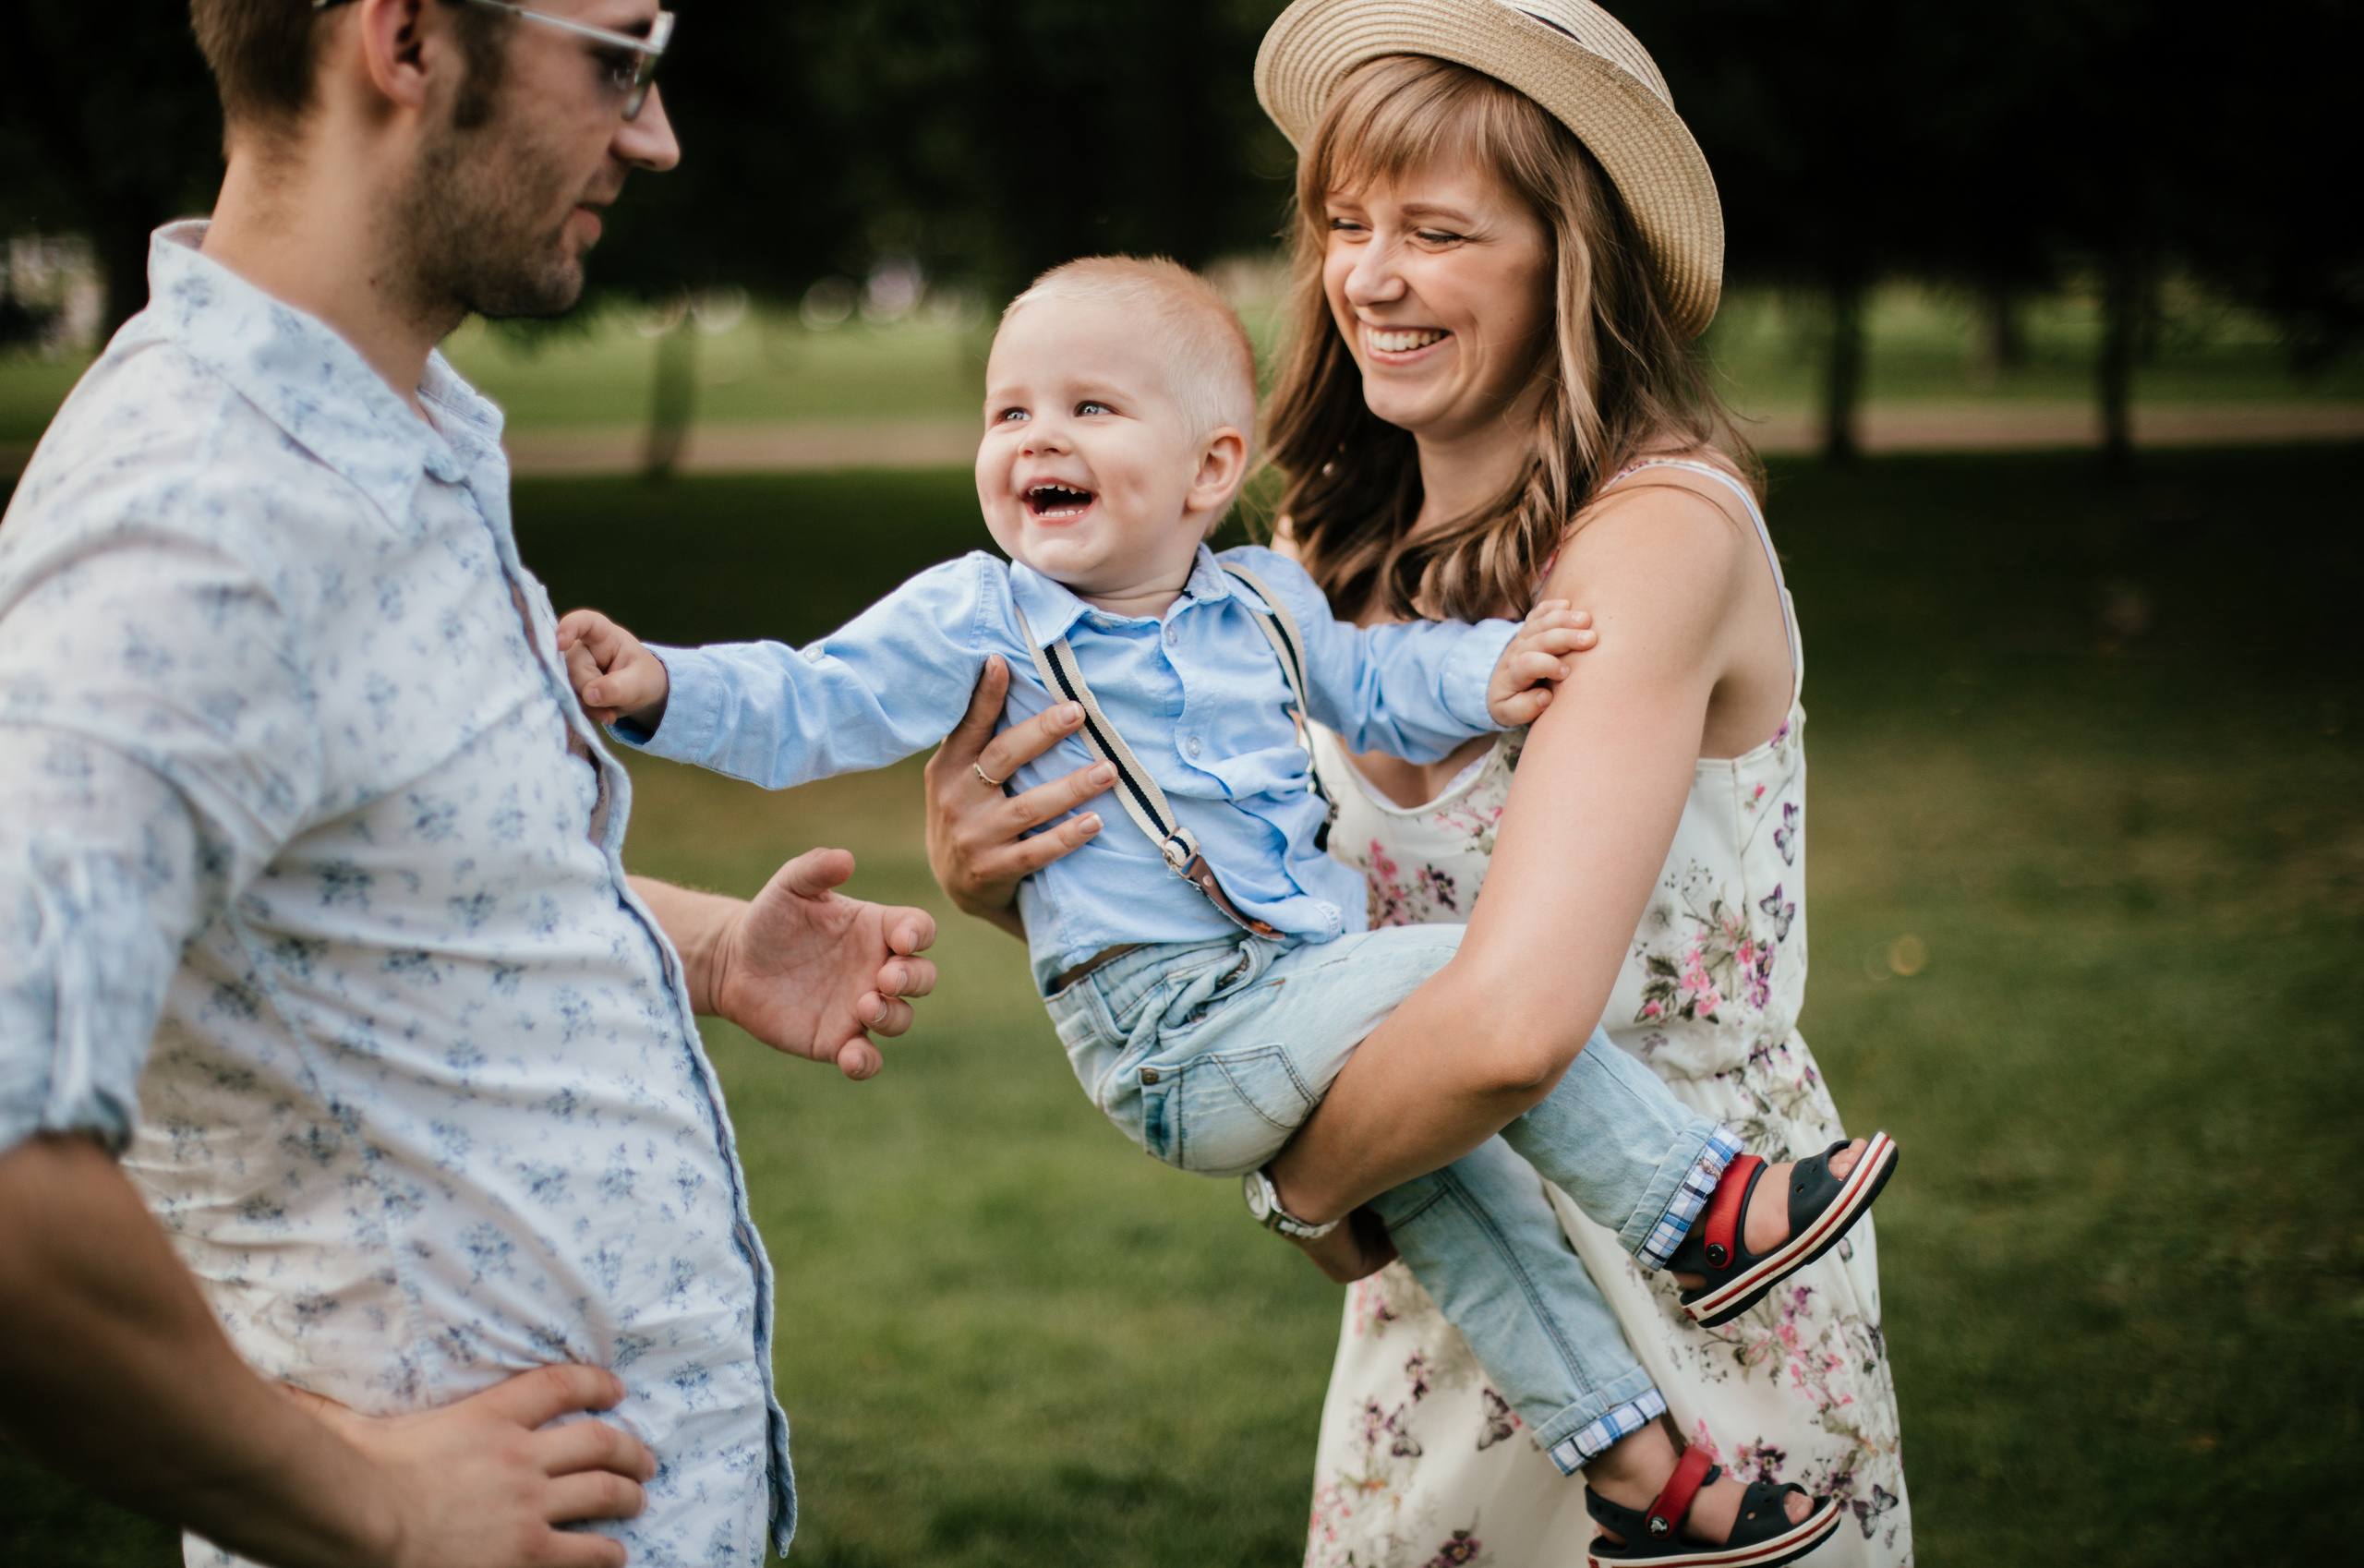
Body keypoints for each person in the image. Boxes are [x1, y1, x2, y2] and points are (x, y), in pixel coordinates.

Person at [559, 255, 1892, 1566]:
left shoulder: (1263, 598)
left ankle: (1653, 1484)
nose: (1037, 438)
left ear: (1210, 471)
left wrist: (1493, 668)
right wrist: (657, 686)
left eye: (1090, 407)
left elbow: (1374, 681)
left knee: (1474, 1214)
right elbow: (808, 698)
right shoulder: (981, 619)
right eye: (1009, 410)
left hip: (1297, 1006)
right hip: (1174, 1036)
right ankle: (1703, 1212)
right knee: (1464, 971)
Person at [924, 2, 1913, 1562]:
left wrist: (1297, 1183)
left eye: (1438, 231)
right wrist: (1002, 883)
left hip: (1708, 1283)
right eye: (1346, 223)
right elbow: (1235, 949)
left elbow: (1515, 1027)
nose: (1370, 277)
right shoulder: (1308, 559)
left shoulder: (1657, 538)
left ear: (1571, 261)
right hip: (1447, 1299)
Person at [0, 4, 937, 1566]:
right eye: (619, 59)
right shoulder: (196, 520)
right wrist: (373, 1502)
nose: (656, 135)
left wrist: (704, 945)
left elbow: (362, 871)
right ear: (408, 40)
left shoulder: (387, 430)